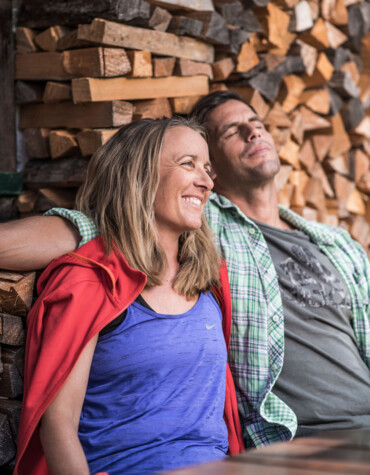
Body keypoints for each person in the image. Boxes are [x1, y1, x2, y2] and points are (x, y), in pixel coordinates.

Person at [2, 91, 369, 449]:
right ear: (215, 172)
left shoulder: (336, 243)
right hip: (307, 439)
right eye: (231, 130)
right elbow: (100, 224)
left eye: (256, 122)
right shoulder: (203, 225)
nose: (252, 132)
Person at [14, 117, 244, 475]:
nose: (207, 181)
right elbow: (58, 427)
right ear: (138, 176)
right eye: (188, 164)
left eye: (208, 169)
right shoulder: (89, 282)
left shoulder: (209, 280)